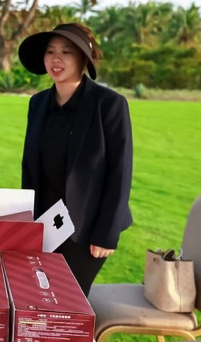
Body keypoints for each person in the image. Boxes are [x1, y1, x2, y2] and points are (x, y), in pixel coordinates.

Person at [18, 23, 133, 296]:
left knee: (67, 300)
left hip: (87, 228)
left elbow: (119, 171)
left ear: (83, 58)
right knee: (37, 296)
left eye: (66, 52)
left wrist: (106, 234)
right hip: (45, 221)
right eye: (50, 52)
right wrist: (26, 222)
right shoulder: (38, 103)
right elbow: (30, 167)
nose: (56, 59)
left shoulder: (109, 104)